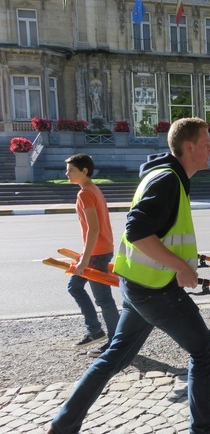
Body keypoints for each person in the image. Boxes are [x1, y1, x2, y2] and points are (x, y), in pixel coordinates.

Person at [41, 118, 210, 434]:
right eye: (208, 141)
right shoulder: (167, 179)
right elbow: (137, 231)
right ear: (189, 147)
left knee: (114, 357)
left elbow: (159, 229)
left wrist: (188, 258)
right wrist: (180, 266)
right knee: (205, 350)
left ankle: (61, 430)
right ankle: (204, 433)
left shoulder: (167, 175)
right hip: (155, 288)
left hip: (138, 284)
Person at [64, 153, 120, 358]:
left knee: (103, 299)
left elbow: (93, 229)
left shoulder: (85, 193)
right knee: (75, 287)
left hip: (97, 253)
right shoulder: (92, 189)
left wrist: (85, 258)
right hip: (99, 250)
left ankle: (115, 342)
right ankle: (95, 330)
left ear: (84, 171)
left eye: (71, 170)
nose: (67, 173)